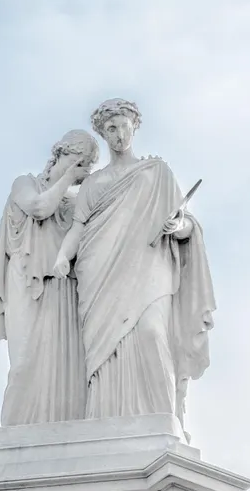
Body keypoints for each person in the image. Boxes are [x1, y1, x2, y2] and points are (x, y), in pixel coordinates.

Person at [52, 98, 215, 425]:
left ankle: (162, 421)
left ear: (134, 127)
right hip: (99, 273)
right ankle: (105, 422)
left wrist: (178, 226)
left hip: (149, 265)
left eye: (123, 126)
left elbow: (183, 224)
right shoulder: (94, 184)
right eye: (110, 129)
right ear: (103, 134)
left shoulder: (156, 172)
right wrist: (60, 258)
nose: (118, 134)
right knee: (104, 351)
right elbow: (79, 228)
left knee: (152, 333)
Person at [0, 128, 99, 424]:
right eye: (78, 157)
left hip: (62, 286)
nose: (82, 166)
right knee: (24, 362)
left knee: (64, 363)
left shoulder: (77, 202)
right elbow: (39, 209)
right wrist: (69, 179)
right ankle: (15, 431)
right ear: (61, 153)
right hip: (26, 279)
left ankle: (62, 428)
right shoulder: (25, 184)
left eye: (87, 162)